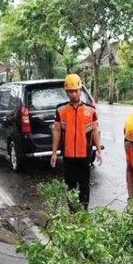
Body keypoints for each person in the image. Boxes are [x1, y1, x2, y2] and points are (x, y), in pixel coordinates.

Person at [50, 74, 102, 211]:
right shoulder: (61, 110)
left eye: (76, 90)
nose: (73, 94)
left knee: (84, 185)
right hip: (68, 155)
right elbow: (56, 132)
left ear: (80, 90)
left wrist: (99, 151)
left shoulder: (90, 111)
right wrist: (54, 153)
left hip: (84, 154)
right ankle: (73, 212)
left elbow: (95, 131)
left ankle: (83, 212)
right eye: (70, 91)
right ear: (66, 92)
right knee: (70, 185)